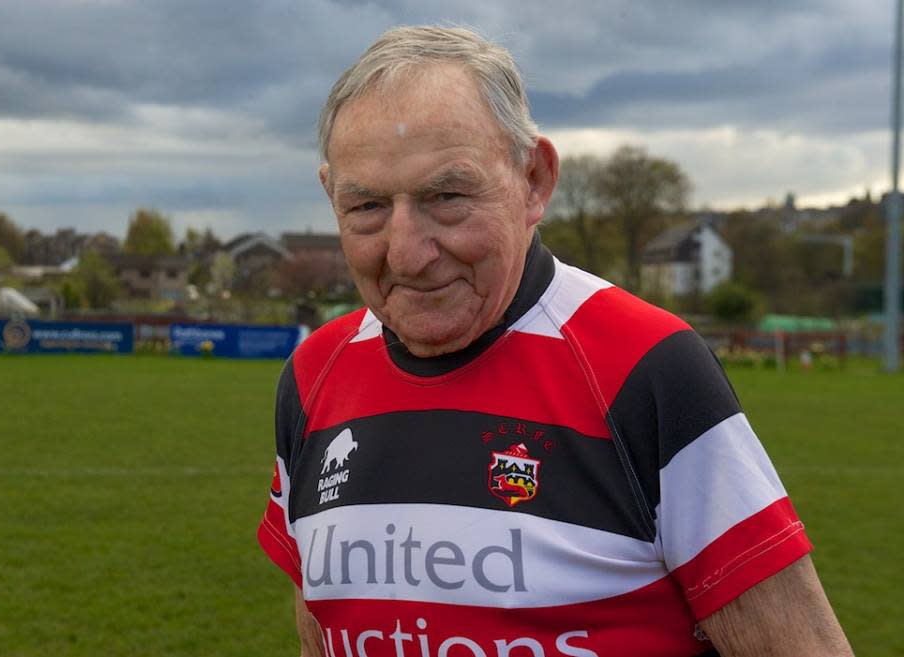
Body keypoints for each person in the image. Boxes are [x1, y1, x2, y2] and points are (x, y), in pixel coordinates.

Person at [258, 26, 854, 657]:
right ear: (332, 197)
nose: (407, 253)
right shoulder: (313, 376)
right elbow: (320, 634)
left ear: (534, 180)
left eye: (448, 197)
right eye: (368, 207)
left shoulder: (647, 369)